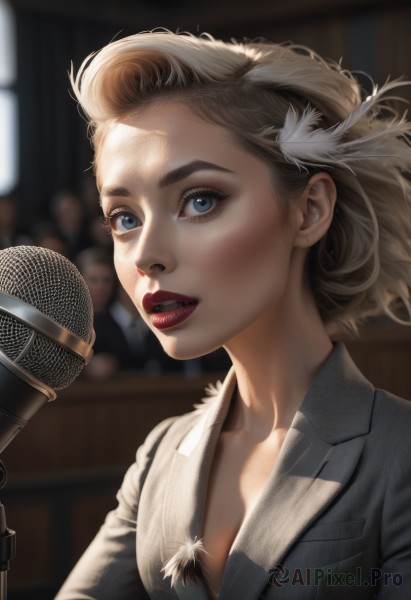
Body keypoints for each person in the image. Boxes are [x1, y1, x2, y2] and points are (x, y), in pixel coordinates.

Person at [56, 30, 411, 599]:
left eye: (200, 200)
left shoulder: (399, 455)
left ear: (309, 210)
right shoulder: (161, 454)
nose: (146, 253)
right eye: (124, 216)